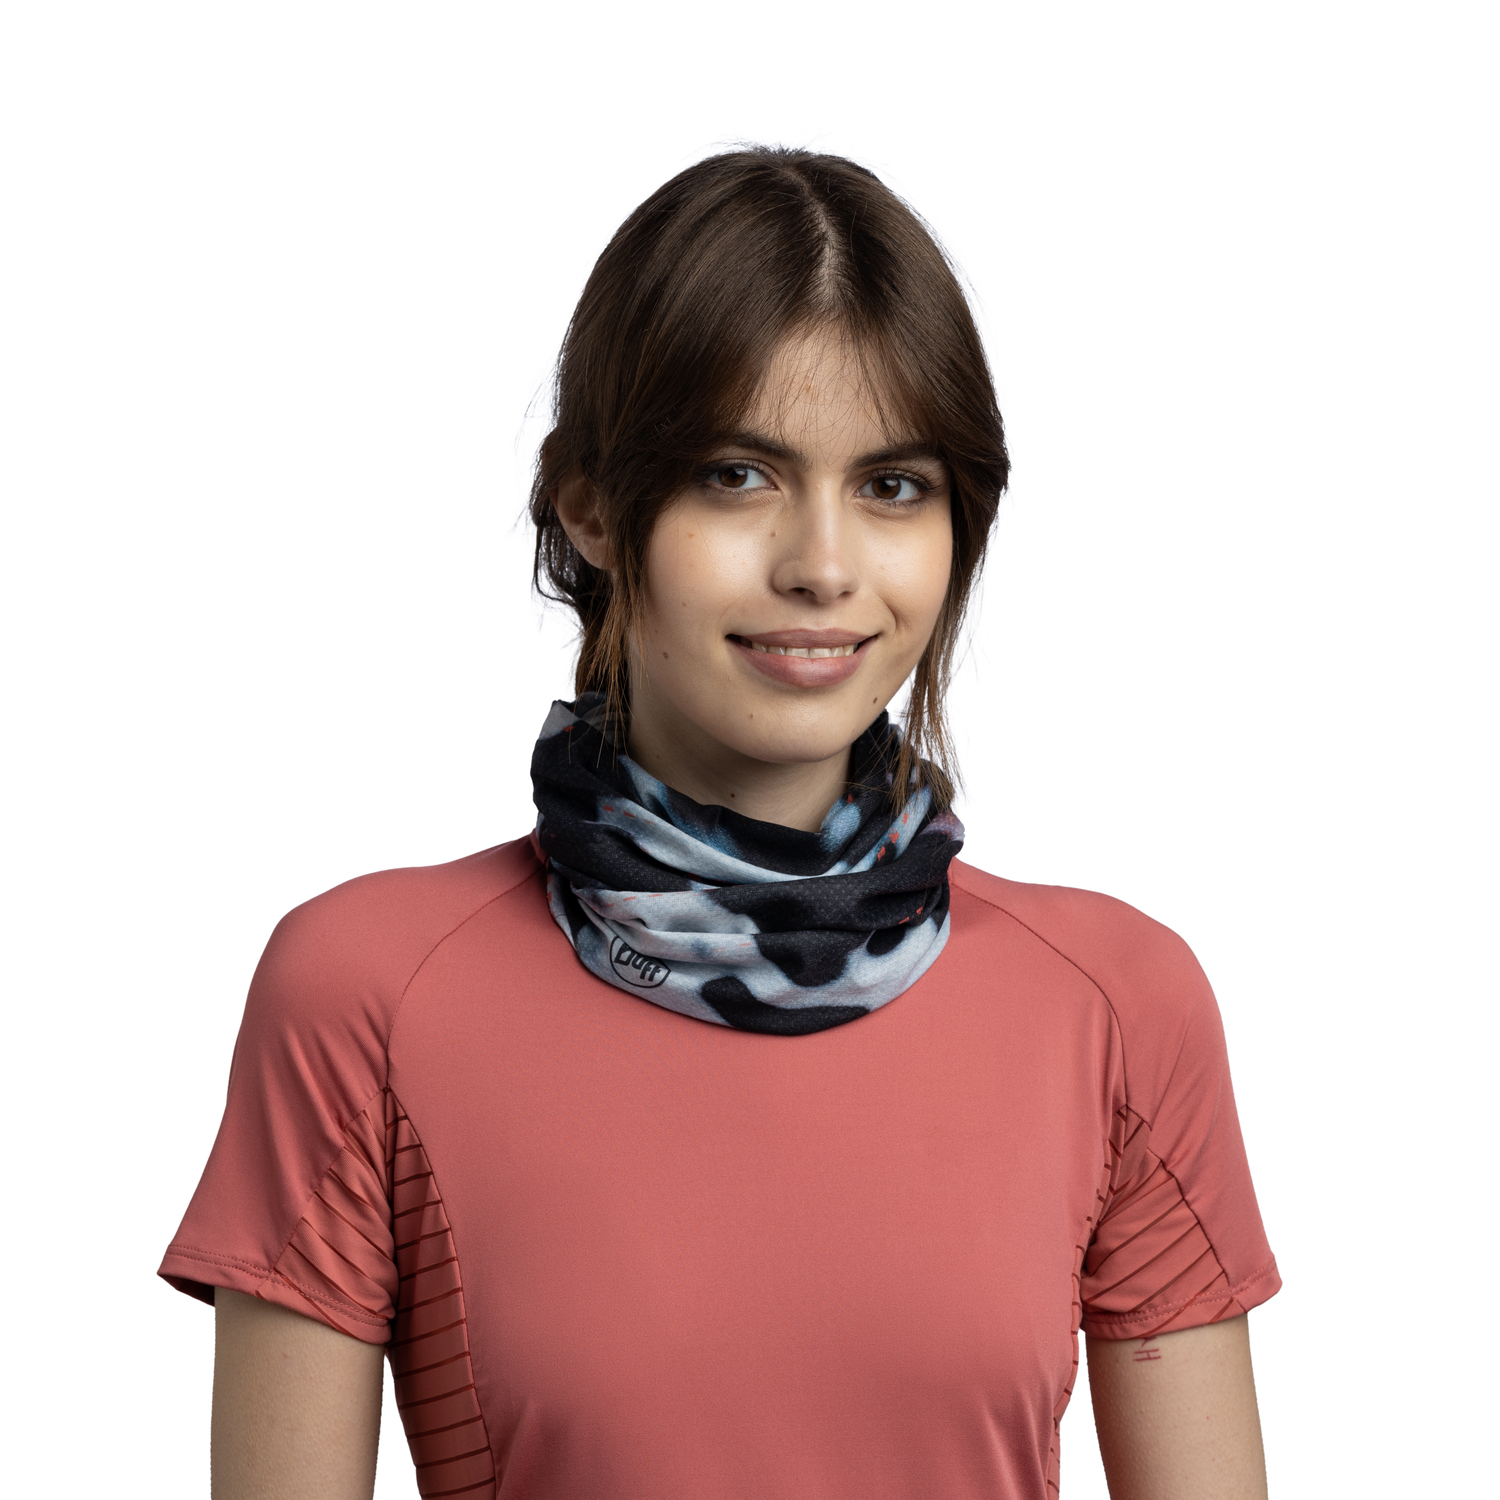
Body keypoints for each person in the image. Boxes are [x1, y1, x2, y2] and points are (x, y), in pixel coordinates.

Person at [162, 147, 1279, 1500]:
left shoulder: (1118, 1007)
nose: (823, 566)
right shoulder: (367, 993)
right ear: (590, 504)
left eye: (893, 485)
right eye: (739, 475)